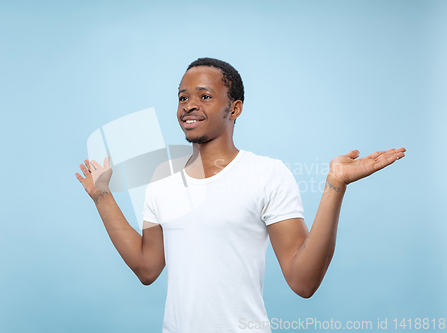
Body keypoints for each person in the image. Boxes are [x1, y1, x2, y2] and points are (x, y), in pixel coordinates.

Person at [75, 57, 406, 333]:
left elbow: (303, 282)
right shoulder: (162, 180)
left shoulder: (267, 174)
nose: (189, 105)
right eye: (182, 97)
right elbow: (147, 268)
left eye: (204, 96)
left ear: (234, 109)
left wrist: (335, 185)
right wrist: (102, 195)